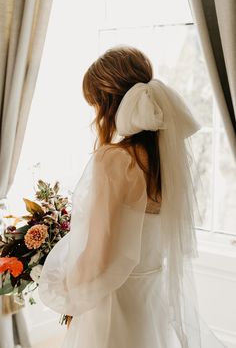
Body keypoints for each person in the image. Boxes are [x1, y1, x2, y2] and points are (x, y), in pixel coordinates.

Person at [38, 46, 226, 347]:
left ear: (109, 103)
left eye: (96, 105)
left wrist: (68, 293)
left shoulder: (114, 160)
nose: (96, 115)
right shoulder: (168, 162)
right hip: (152, 299)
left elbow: (99, 252)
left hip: (113, 305)